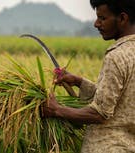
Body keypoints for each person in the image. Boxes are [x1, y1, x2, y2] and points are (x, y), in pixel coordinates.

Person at [42, 0, 135, 152]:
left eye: (102, 18)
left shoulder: (117, 57)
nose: (96, 24)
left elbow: (99, 113)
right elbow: (118, 101)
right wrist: (79, 82)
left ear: (122, 18)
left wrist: (56, 110)